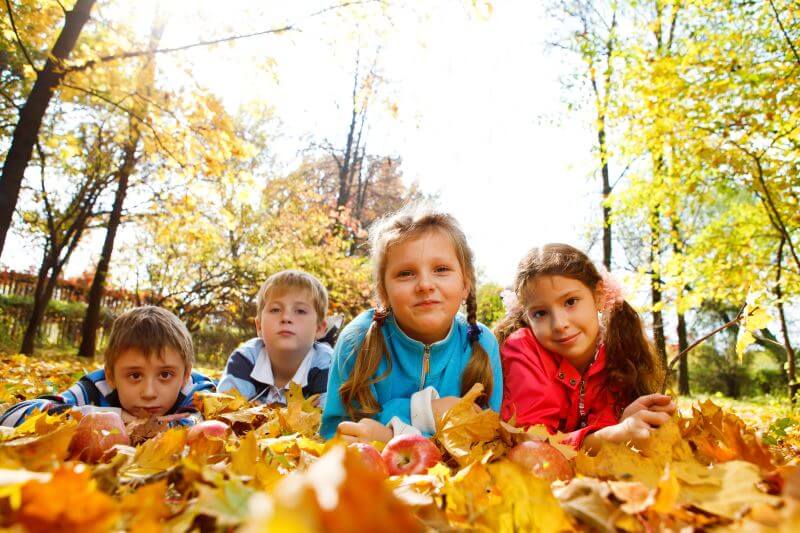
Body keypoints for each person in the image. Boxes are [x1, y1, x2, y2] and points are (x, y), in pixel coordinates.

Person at [321, 204, 503, 442]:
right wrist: (427, 412)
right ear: (383, 291)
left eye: (441, 269)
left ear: (465, 285)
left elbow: (487, 434)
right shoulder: (358, 340)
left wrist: (392, 433)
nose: (425, 284)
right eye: (406, 273)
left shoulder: (481, 344)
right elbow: (336, 434)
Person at [495, 243, 676, 451]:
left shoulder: (620, 353)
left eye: (570, 302)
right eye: (540, 313)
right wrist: (614, 435)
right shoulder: (523, 349)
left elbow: (614, 435)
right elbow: (530, 444)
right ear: (527, 316)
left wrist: (627, 422)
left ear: (598, 296)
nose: (559, 324)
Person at [0, 306, 215, 427]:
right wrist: (106, 416)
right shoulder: (97, 386)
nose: (149, 393)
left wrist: (144, 427)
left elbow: (200, 429)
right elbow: (11, 417)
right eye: (135, 376)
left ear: (186, 375)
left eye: (165, 375)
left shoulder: (197, 391)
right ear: (111, 375)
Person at [218, 270, 332, 406]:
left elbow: (328, 421)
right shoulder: (245, 359)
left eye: (300, 311)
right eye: (275, 310)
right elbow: (225, 412)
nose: (286, 318)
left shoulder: (327, 364)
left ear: (319, 328)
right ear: (259, 326)